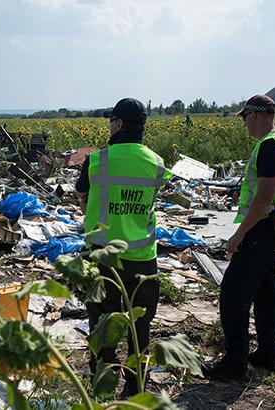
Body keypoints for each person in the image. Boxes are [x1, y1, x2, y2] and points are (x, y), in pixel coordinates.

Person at [75, 98, 171, 397]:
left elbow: (81, 194)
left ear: (118, 124)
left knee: (102, 324)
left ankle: (102, 385)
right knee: (139, 327)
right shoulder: (156, 163)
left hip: (104, 257)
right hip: (143, 259)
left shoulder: (97, 160)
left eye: (110, 121)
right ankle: (135, 387)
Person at [205, 95, 275, 381]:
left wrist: (239, 233)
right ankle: (268, 355)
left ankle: (235, 364)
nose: (244, 124)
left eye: (244, 118)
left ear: (254, 116)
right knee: (266, 291)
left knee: (234, 292)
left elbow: (263, 197)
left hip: (263, 225)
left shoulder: (270, 145)